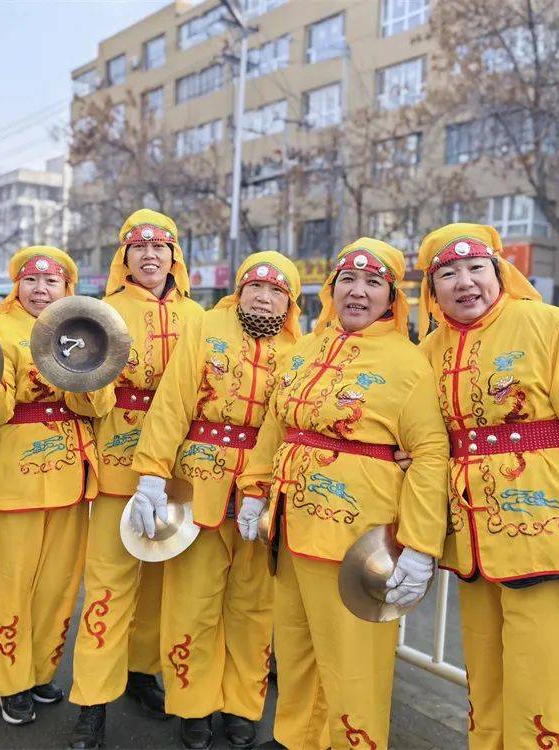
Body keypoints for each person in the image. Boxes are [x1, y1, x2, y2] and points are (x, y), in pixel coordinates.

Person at [412, 223, 559, 750]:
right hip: (474, 546)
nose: (464, 283)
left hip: (553, 541)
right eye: (447, 274)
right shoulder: (429, 350)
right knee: (488, 693)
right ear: (432, 291)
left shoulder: (552, 325)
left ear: (500, 272)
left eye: (476, 268)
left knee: (545, 696)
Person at [236, 238, 450, 750]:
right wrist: (255, 489)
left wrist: (420, 545)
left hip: (358, 541)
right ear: (330, 290)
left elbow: (429, 455)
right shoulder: (307, 347)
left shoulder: (410, 362)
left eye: (373, 282)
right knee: (296, 648)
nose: (358, 292)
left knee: (354, 664)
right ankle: (296, 740)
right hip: (290, 529)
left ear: (392, 296)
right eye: (347, 281)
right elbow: (276, 423)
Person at [131, 252, 302, 749]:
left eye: (276, 291)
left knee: (253, 605)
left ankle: (241, 706)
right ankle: (192, 704)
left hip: (262, 486)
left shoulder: (301, 347)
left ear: (289, 301)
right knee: (193, 600)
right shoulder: (206, 327)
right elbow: (172, 403)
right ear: (240, 289)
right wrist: (151, 475)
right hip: (198, 481)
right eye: (255, 286)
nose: (264, 297)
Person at [67, 209, 203, 749]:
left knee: (162, 584)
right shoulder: (101, 313)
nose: (150, 257)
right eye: (138, 248)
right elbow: (83, 388)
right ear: (124, 257)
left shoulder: (200, 316)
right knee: (109, 583)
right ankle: (92, 701)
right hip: (119, 459)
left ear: (175, 256)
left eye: (161, 247)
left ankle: (143, 673)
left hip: (184, 467)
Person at [0, 246, 114, 726]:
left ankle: (41, 671)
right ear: (17, 286)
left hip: (72, 473)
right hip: (12, 472)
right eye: (32, 281)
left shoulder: (83, 329)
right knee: (10, 584)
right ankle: (10, 682)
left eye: (52, 283)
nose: (40, 290)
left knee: (57, 585)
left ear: (67, 289)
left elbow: (99, 406)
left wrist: (80, 372)